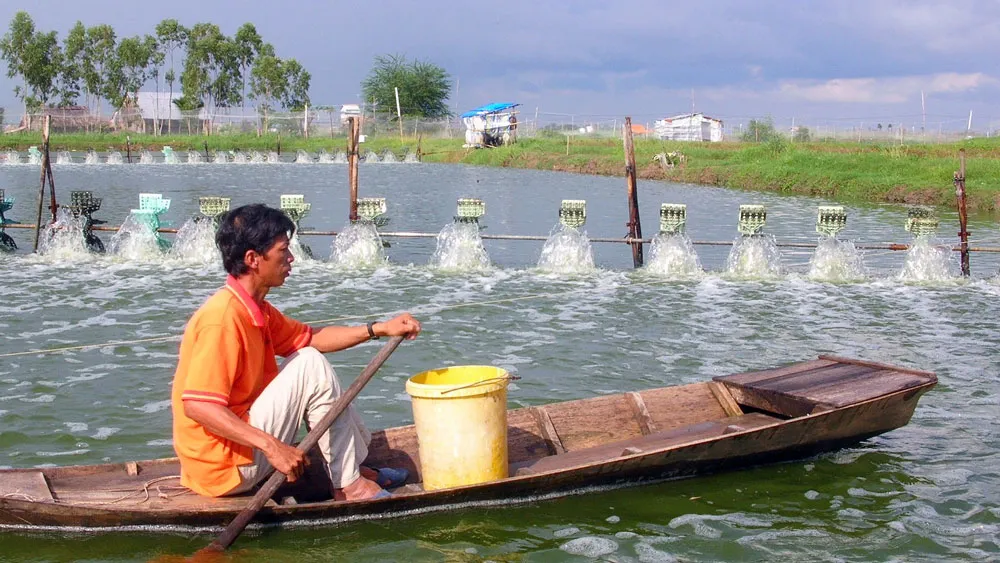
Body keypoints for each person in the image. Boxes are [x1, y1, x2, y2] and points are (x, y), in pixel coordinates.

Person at [171, 204, 421, 501]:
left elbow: (311, 337)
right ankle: (349, 485)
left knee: (308, 357)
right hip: (225, 468)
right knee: (310, 365)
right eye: (283, 251)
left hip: (240, 450)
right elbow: (198, 406)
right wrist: (273, 447)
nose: (291, 259)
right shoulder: (222, 319)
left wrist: (379, 329)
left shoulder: (254, 309)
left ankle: (353, 468)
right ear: (253, 259)